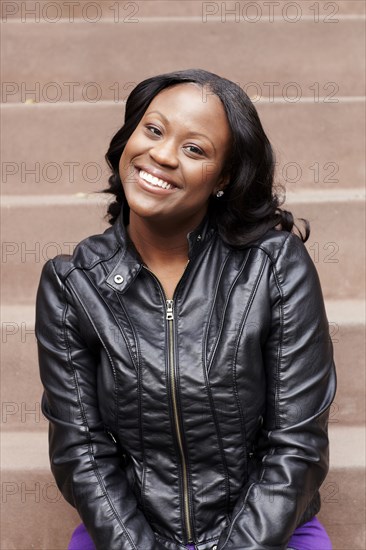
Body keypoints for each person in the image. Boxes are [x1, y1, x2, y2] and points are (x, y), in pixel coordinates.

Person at [36, 69, 336, 550]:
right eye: (153, 130)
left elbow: (296, 445)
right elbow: (81, 451)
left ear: (223, 178)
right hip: (128, 534)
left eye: (194, 149)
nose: (162, 155)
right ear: (128, 138)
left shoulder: (274, 267)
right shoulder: (73, 283)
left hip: (266, 530)